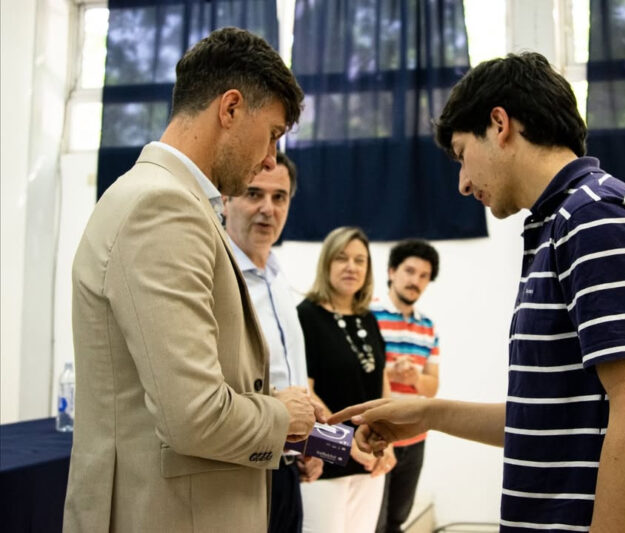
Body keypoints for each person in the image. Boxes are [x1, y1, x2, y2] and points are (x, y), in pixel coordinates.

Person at [330, 52, 625, 532]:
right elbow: (554, 420)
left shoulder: (595, 220)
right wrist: (429, 412)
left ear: (499, 124)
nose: (462, 183)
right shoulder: (565, 223)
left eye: (462, 155)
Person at [64, 28, 320, 533]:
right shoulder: (161, 208)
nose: (271, 158)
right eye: (271, 133)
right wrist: (280, 415)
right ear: (230, 108)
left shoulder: (175, 203)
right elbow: (194, 416)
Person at [222, 151, 324, 533]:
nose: (268, 208)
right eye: (254, 194)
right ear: (227, 199)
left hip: (286, 466)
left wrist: (307, 440)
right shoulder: (217, 279)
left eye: (279, 197)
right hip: (239, 470)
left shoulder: (279, 278)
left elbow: (291, 375)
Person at [296, 227, 397, 533]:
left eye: (360, 260)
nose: (351, 266)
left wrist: (389, 440)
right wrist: (345, 442)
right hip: (325, 458)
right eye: (342, 258)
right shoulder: (307, 316)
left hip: (369, 458)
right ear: (327, 263)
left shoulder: (368, 318)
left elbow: (382, 383)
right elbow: (305, 391)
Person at [371, 240, 440, 533]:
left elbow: (432, 386)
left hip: (415, 438)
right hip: (377, 436)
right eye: (410, 271)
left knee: (397, 520)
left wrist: (414, 379)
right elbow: (358, 375)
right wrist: (391, 372)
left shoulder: (428, 327)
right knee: (373, 521)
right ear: (391, 271)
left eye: (424, 275)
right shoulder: (368, 315)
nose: (415, 281)